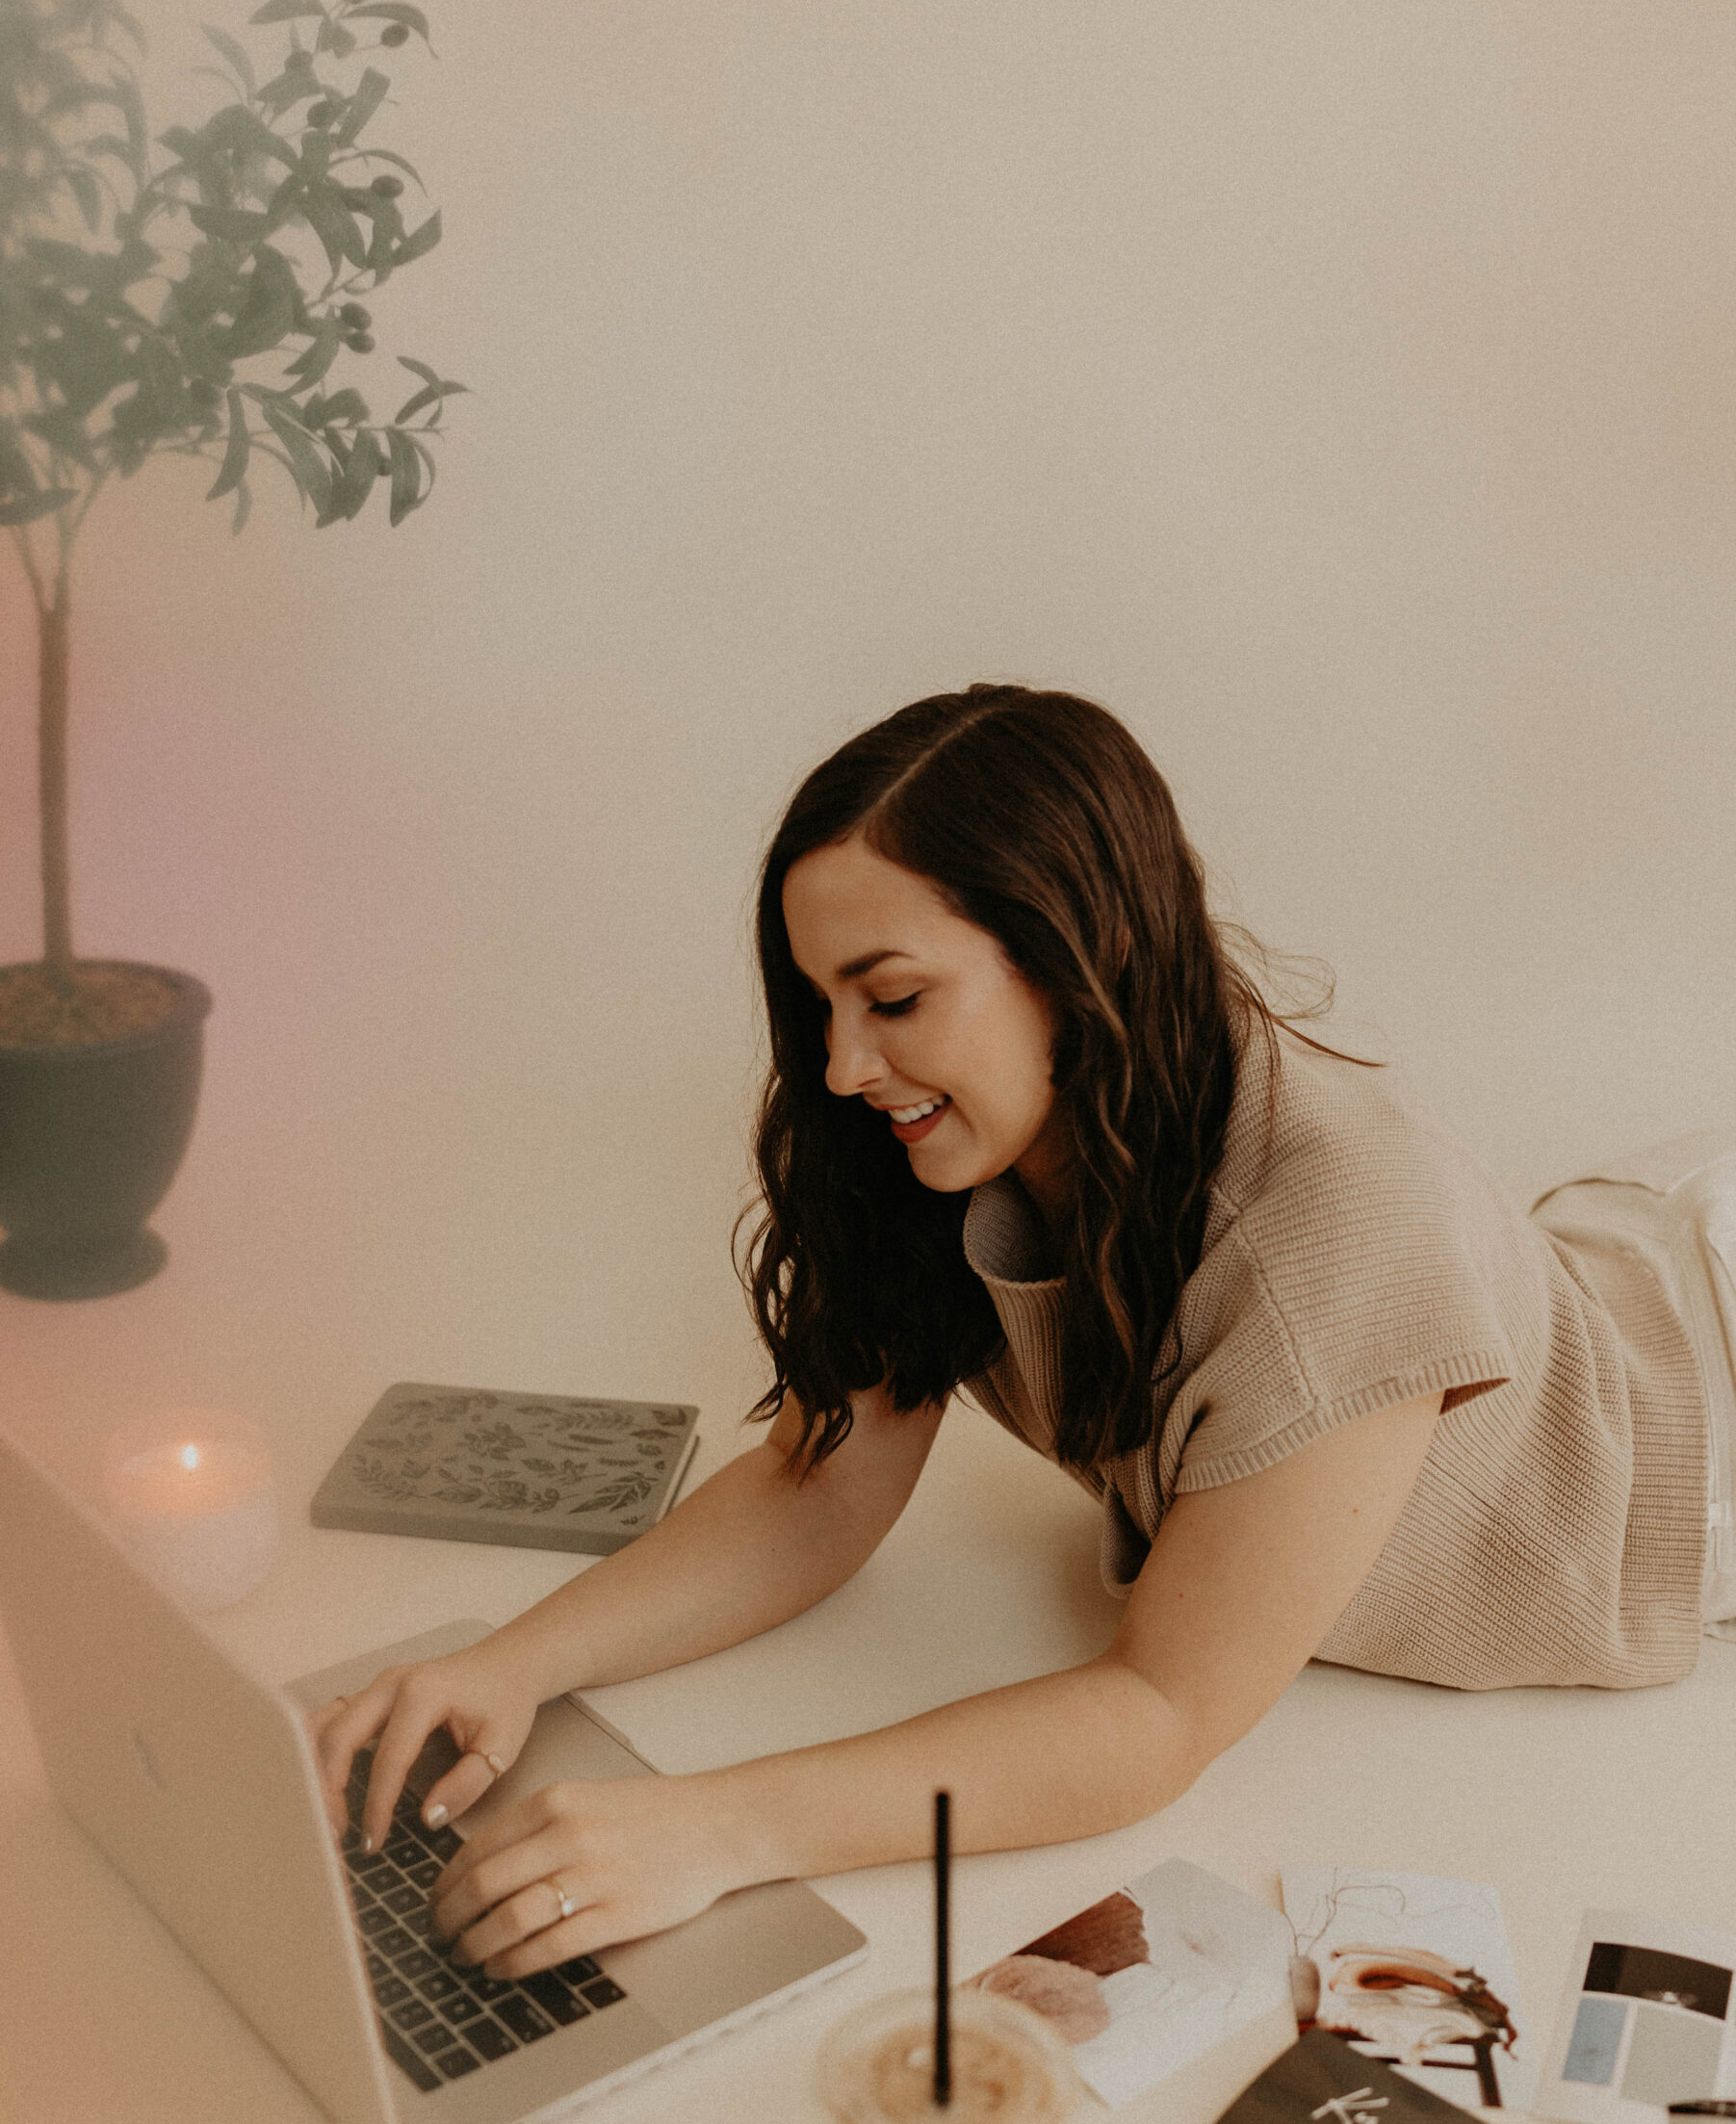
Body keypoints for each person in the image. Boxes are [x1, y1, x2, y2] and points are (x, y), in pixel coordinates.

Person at [309, 685, 1736, 1982]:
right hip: (1616, 1249)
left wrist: (714, 1829)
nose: (843, 1066)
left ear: (1075, 955)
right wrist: (514, 1663)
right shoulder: (954, 1140)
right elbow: (821, 1485)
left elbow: (1159, 1711)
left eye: (895, 998)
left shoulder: (1343, 1236)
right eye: (821, 1004)